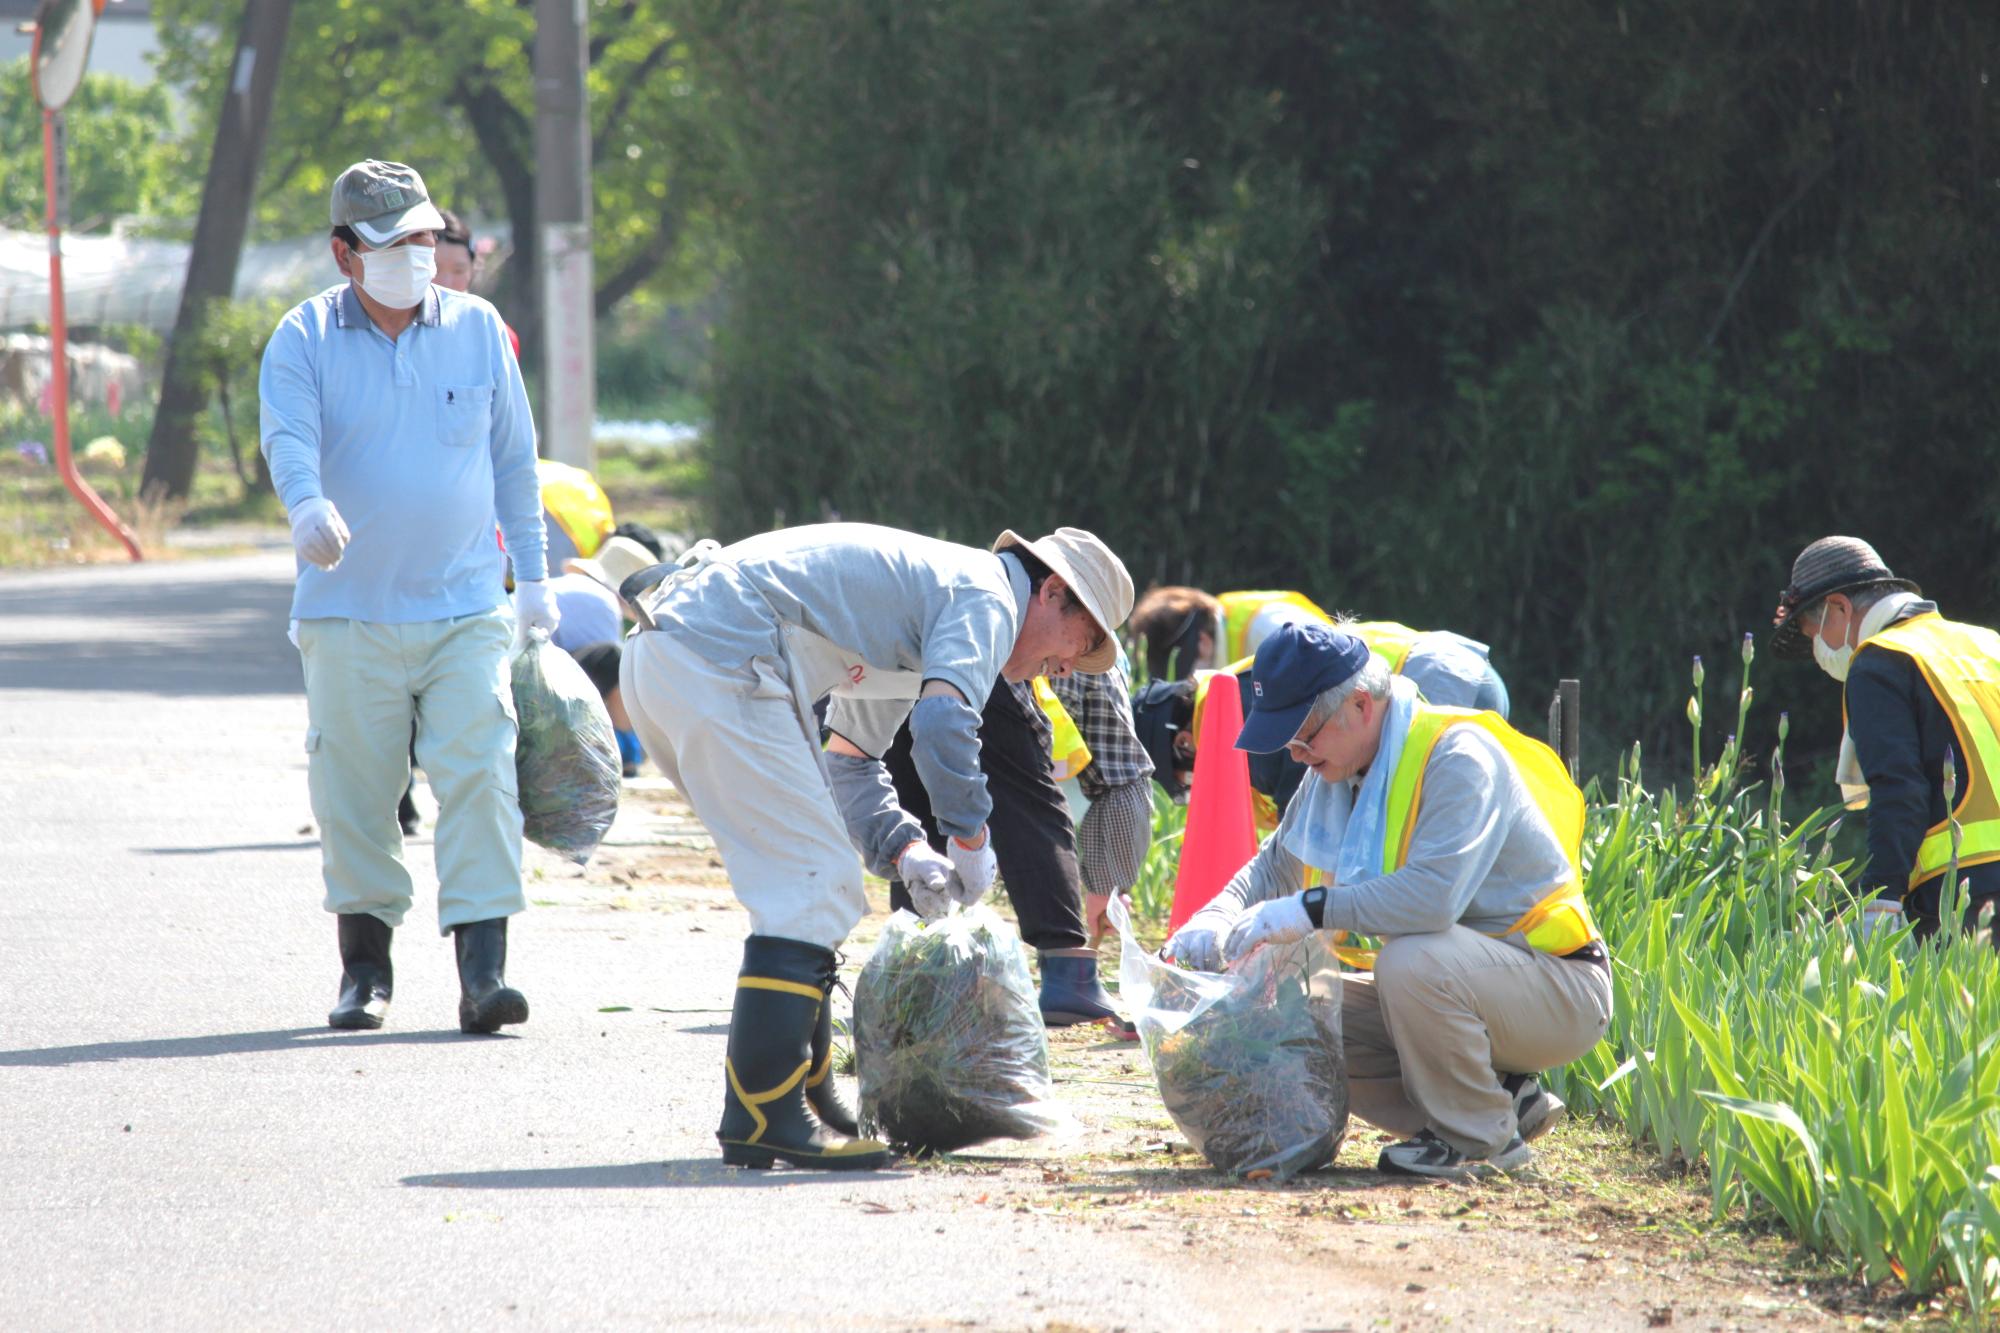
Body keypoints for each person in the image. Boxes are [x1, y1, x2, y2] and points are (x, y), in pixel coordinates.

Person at [619, 523, 1133, 1170]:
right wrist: (971, 837)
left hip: (669, 655)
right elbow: (946, 722)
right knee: (815, 885)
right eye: (1079, 644)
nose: (1063, 667)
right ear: (1053, 591)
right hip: (716, 653)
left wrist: (906, 847)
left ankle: (807, 1092)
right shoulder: (990, 595)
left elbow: (851, 765)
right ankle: (761, 1115)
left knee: (813, 878)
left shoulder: (916, 618)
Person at [261, 158, 555, 1036]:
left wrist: (534, 579)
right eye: (396, 243)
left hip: (465, 605)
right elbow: (288, 436)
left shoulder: (479, 328)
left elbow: (515, 462)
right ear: (345, 253)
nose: (419, 254)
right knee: (355, 792)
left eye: (426, 237)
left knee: (481, 777)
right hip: (348, 612)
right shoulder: (303, 336)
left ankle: (483, 972)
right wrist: (306, 504)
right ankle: (366, 971)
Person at [1163, 622, 1611, 1181]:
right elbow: (1274, 866)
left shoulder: (1458, 755)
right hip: (1466, 987)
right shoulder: (1336, 771)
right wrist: (1213, 919)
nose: (1297, 755)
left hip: (1558, 988)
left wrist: (1310, 908)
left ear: (1359, 705)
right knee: (1301, 1018)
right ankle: (1498, 1100)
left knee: (1410, 961)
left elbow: (1431, 901)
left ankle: (1477, 1139)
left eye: (1304, 735)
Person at [880, 657, 1152, 1034]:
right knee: (1029, 797)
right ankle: (1068, 975)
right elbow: (1121, 778)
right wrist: (1107, 887)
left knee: (916, 798)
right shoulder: (1094, 655)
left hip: (902, 657)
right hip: (986, 659)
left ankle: (919, 969)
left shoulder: (1070, 632)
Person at [1771, 536, 2000, 944]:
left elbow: (1898, 786)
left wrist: (1882, 896)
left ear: (1840, 606)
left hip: (1965, 891)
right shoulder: (1986, 643)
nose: (1819, 649)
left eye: (1814, 634)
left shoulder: (1881, 660)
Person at [1132, 607, 1510, 828]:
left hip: (1443, 684)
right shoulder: (1226, 692)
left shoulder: (1233, 725)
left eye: (1183, 780)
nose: (1190, 786)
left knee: (1439, 820)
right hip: (1457, 667)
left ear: (1183, 742)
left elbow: (1306, 817)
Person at [568, 641, 644, 778]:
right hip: (577, 659)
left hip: (611, 656)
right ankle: (623, 756)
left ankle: (624, 756)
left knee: (620, 667)